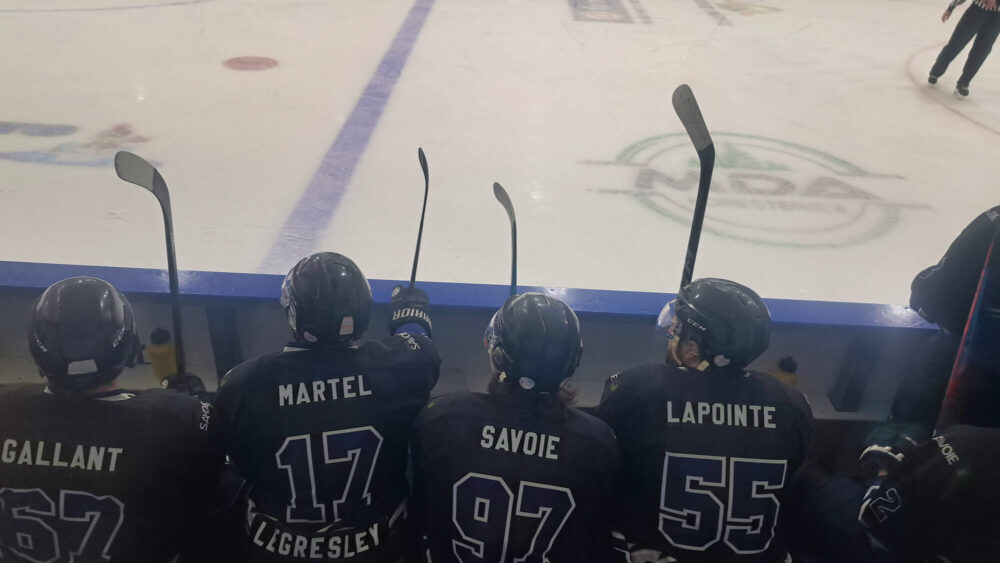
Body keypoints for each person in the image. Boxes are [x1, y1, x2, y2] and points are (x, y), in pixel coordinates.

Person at [214, 252, 440, 562]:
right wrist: (411, 314)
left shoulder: (243, 384)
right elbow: (419, 345)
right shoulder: (404, 368)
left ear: (295, 314)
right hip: (379, 546)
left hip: (274, 550)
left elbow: (235, 458)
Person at [0, 276, 225, 562]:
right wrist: (197, 402)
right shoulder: (176, 419)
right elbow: (210, 487)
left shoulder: (7, 408)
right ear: (127, 345)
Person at [596, 278, 813, 563]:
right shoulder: (791, 402)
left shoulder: (642, 387)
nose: (674, 329)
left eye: (680, 327)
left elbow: (602, 453)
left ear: (693, 349)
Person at [410, 292, 620, 562]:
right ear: (571, 362)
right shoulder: (597, 443)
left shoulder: (442, 417)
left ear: (498, 358)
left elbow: (419, 509)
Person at [888, 204, 1000, 438]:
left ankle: (895, 452)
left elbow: (932, 299)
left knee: (912, 418)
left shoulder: (994, 223)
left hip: (974, 365)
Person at [928, 0, 1000, 98]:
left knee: (982, 51)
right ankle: (936, 71)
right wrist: (951, 7)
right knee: (956, 43)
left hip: (996, 19)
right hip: (977, 12)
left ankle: (964, 83)